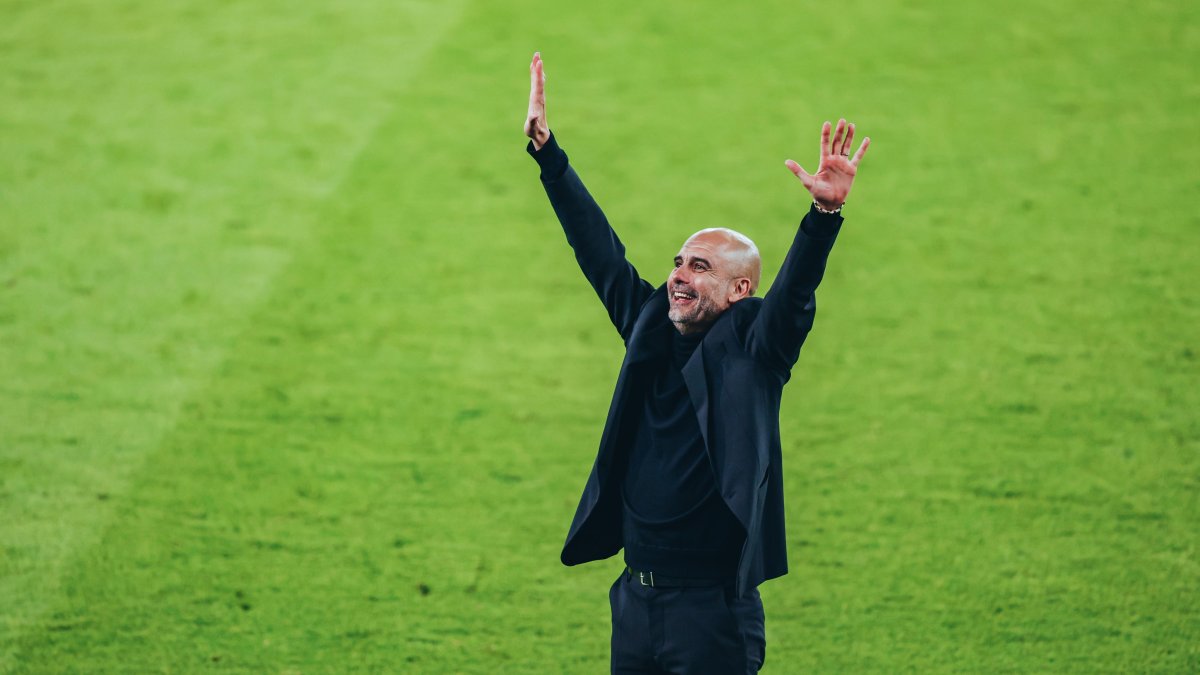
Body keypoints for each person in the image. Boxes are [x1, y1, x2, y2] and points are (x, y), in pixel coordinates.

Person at [523, 51, 870, 674]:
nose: (679, 276)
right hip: (635, 600)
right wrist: (549, 155)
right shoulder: (650, 326)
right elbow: (598, 251)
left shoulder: (758, 351)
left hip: (711, 615)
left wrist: (823, 216)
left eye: (700, 267)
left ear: (739, 292)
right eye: (679, 262)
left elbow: (793, 293)